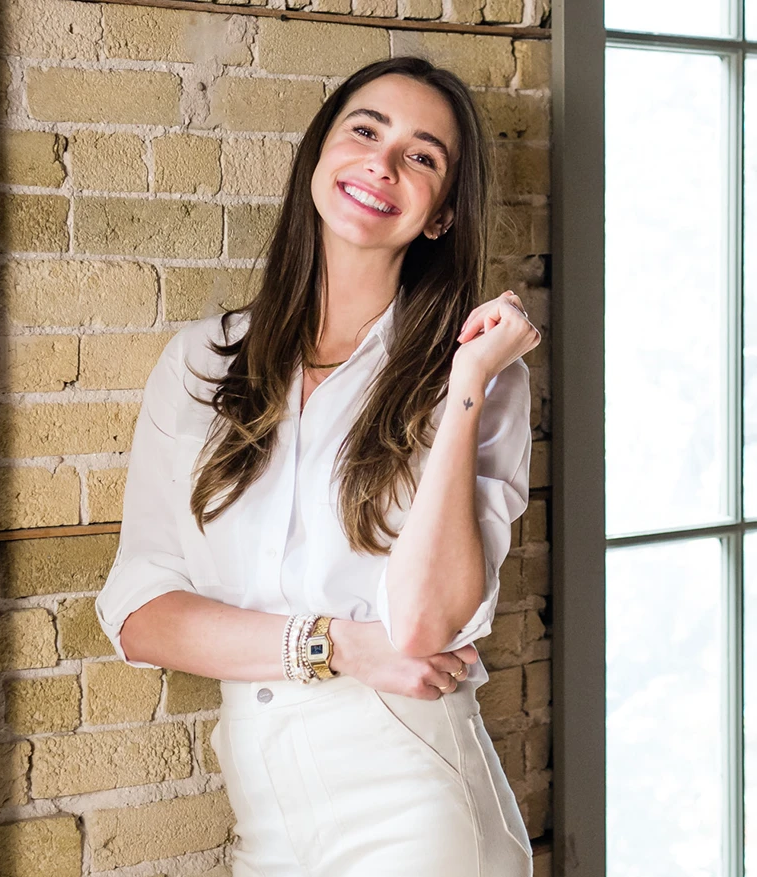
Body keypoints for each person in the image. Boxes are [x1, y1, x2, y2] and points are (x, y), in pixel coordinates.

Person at [95, 55, 541, 877]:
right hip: (268, 819)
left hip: (417, 807)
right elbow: (139, 615)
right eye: (366, 131)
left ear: (441, 216)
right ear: (319, 158)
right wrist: (335, 644)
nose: (383, 161)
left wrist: (468, 385)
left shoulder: (481, 374)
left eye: (422, 155)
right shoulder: (201, 360)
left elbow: (424, 626)